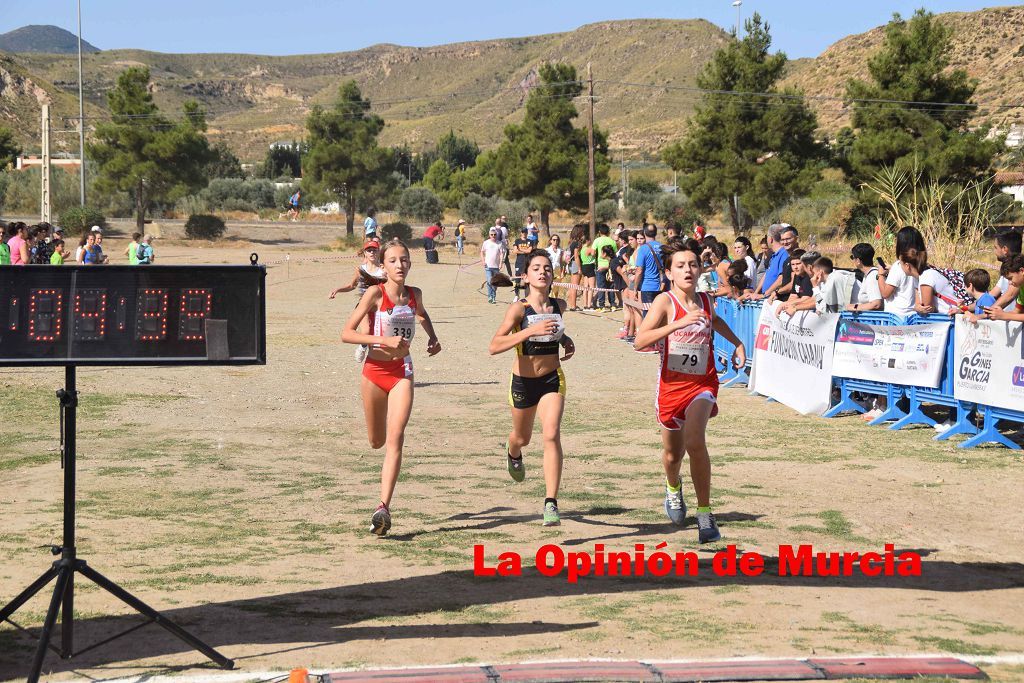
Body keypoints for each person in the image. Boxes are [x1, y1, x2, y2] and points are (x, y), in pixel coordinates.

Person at [633, 239, 745, 543]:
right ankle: (672, 488)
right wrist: (676, 324)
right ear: (669, 273)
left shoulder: (707, 301)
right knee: (672, 454)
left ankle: (705, 514)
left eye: (693, 265)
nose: (688, 270)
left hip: (703, 383)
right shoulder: (664, 303)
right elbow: (640, 341)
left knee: (695, 442)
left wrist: (737, 343)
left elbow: (716, 321)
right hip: (671, 387)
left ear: (699, 270)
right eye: (680, 266)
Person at [341, 239, 442, 535]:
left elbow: (421, 314)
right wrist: (382, 341)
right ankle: (382, 496)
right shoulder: (375, 293)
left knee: (396, 437)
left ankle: (383, 507)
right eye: (394, 260)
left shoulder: (414, 294)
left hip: (402, 371)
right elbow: (346, 334)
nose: (400, 265)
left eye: (405, 260)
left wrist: (433, 338)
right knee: (377, 441)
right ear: (383, 266)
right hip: (374, 371)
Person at [489, 249, 575, 526]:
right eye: (536, 267)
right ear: (525, 276)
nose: (542, 271)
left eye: (547, 267)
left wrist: (566, 341)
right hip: (524, 382)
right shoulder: (519, 309)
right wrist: (528, 331)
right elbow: (494, 346)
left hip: (552, 378)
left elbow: (555, 331)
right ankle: (513, 450)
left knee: (551, 434)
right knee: (522, 437)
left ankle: (551, 502)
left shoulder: (559, 305)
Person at [330, 238, 385, 361]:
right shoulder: (360, 269)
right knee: (365, 332)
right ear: (365, 253)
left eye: (374, 250)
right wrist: (338, 289)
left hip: (381, 307)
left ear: (379, 252)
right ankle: (362, 346)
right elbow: (352, 286)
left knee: (379, 338)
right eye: (369, 250)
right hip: (364, 306)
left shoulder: (384, 269)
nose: (372, 253)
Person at [877, 226, 925, 318]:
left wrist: (880, 275)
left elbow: (885, 294)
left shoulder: (898, 266)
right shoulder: (921, 264)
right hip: (914, 316)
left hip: (896, 317)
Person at [634, 224, 664, 317]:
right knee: (659, 315)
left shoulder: (643, 249)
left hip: (647, 287)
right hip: (661, 286)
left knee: (648, 315)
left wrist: (635, 288)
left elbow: (639, 270)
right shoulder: (662, 247)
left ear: (644, 233)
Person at [984, 254, 1024, 323]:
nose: (1010, 283)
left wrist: (1004, 315)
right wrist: (997, 313)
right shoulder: (1021, 287)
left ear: (1022, 271)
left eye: (1011, 278)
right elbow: (1017, 312)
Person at [989, 228, 1022, 311]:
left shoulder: (1017, 273)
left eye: (995, 247)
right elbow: (993, 293)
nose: (994, 251)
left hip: (1013, 321)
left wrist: (986, 314)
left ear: (1005, 249)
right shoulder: (1007, 269)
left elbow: (1009, 295)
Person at [847, 242, 883, 312]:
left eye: (852, 257)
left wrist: (854, 307)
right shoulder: (869, 274)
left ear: (858, 261)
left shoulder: (872, 276)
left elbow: (876, 304)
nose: (852, 260)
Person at [592, 224, 617, 311]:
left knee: (601, 287)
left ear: (599, 232)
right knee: (611, 286)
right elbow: (615, 254)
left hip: (600, 266)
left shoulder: (597, 240)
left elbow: (593, 253)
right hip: (610, 266)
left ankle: (602, 305)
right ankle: (613, 304)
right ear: (608, 232)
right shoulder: (612, 241)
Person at [480, 227, 506, 304]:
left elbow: (501, 254)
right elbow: (481, 252)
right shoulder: (486, 243)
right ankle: (490, 296)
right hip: (488, 266)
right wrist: (483, 261)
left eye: (494, 234)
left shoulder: (499, 243)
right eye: (492, 234)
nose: (493, 236)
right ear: (489, 235)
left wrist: (501, 263)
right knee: (489, 281)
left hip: (496, 266)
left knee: (495, 283)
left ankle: (493, 296)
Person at [565, 225, 585, 311]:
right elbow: (576, 256)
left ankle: (572, 304)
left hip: (571, 264)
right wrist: (579, 268)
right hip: (575, 264)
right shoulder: (577, 243)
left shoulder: (571, 242)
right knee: (575, 286)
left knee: (572, 285)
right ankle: (573, 305)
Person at [579, 228, 597, 309]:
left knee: (585, 286)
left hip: (584, 266)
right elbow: (594, 253)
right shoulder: (588, 249)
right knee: (591, 287)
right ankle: (589, 304)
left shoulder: (582, 249)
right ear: (588, 241)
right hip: (590, 266)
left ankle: (585, 304)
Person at [512, 227, 533, 298]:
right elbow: (515, 251)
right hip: (519, 262)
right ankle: (516, 295)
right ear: (521, 233)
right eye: (523, 232)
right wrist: (525, 250)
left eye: (525, 232)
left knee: (527, 280)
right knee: (517, 280)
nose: (524, 234)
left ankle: (527, 296)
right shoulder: (517, 241)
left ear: (527, 233)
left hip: (527, 263)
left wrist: (520, 249)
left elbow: (529, 251)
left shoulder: (530, 241)